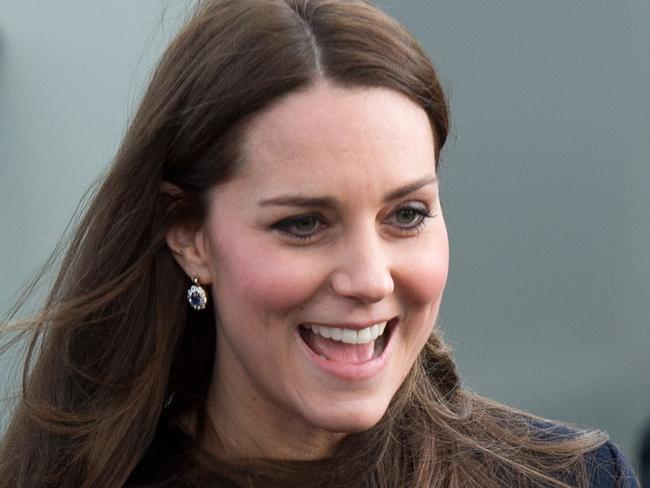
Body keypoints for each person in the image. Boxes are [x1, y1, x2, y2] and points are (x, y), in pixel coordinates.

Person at [0, 1, 639, 487]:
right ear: (190, 235)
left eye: (408, 214)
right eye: (304, 224)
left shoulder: (575, 477)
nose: (369, 278)